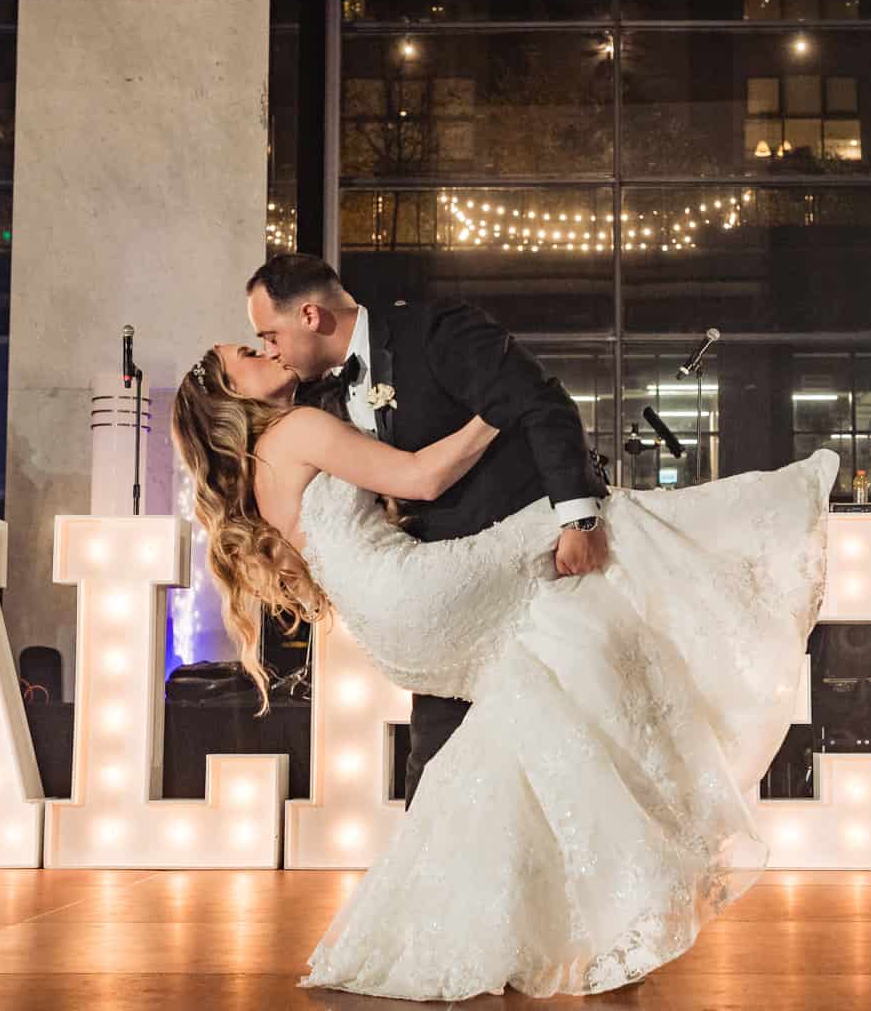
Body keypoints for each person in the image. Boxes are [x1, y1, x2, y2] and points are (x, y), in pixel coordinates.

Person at [170, 337, 835, 1001]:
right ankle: (762, 539)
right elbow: (423, 476)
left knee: (538, 683)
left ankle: (514, 911)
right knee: (594, 517)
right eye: (248, 356)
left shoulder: (257, 470)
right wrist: (501, 402)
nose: (267, 350)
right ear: (234, 396)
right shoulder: (298, 428)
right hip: (414, 589)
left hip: (388, 626)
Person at [245, 254, 611, 805]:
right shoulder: (314, 403)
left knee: (564, 739)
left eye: (270, 334)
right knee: (438, 761)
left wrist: (579, 517)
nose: (270, 349)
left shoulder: (434, 330)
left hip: (539, 564)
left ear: (312, 316)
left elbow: (542, 402)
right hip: (441, 594)